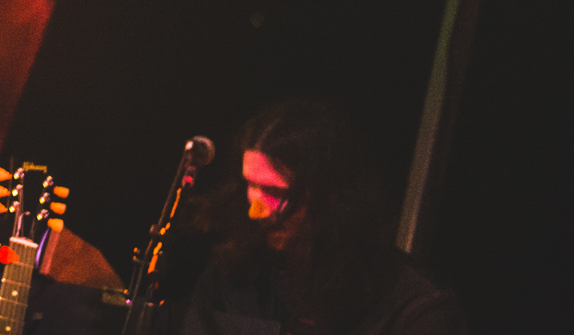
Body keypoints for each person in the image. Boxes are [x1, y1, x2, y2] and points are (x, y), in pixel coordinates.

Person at [180, 100, 465, 335]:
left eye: (274, 191)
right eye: (249, 185)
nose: (255, 209)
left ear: (331, 195)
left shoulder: (415, 308)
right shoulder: (232, 277)